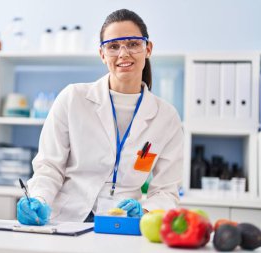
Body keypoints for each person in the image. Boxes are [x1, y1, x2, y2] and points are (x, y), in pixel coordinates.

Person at [16, 9, 183, 225]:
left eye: (133, 44)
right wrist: (38, 198)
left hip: (123, 224)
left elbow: (167, 191)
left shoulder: (166, 117)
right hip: (65, 221)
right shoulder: (73, 98)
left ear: (147, 49)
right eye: (113, 46)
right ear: (102, 54)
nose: (123, 54)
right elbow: (49, 167)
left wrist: (146, 210)